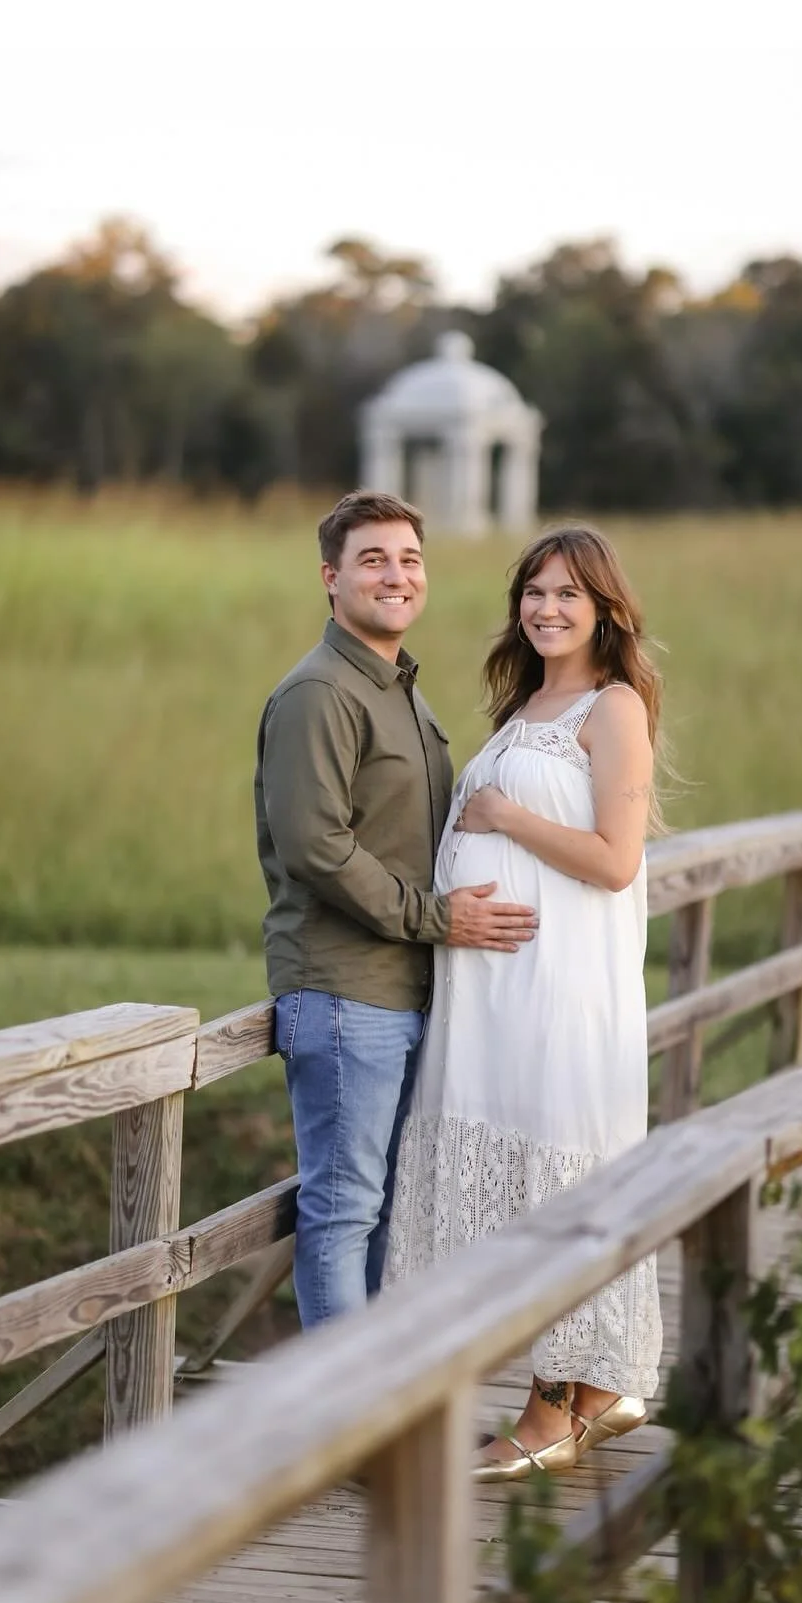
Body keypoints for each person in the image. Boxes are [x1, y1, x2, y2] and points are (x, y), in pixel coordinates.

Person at [384, 524, 665, 1481]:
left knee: (561, 1170)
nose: (546, 609)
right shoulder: (527, 703)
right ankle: (593, 1392)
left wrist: (505, 818)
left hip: (558, 994)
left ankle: (555, 1410)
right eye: (533, 593)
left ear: (604, 611)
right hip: (494, 993)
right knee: (521, 1165)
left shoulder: (612, 705)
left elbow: (615, 860)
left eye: (567, 595)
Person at [254, 490, 538, 1331]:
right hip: (346, 995)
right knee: (343, 1215)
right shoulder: (318, 693)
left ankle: (370, 1413)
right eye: (373, 558)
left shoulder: (401, 692)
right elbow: (317, 847)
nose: (397, 574)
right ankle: (342, 1426)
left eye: (410, 559)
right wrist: (437, 918)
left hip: (403, 992)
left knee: (382, 1214)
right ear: (330, 577)